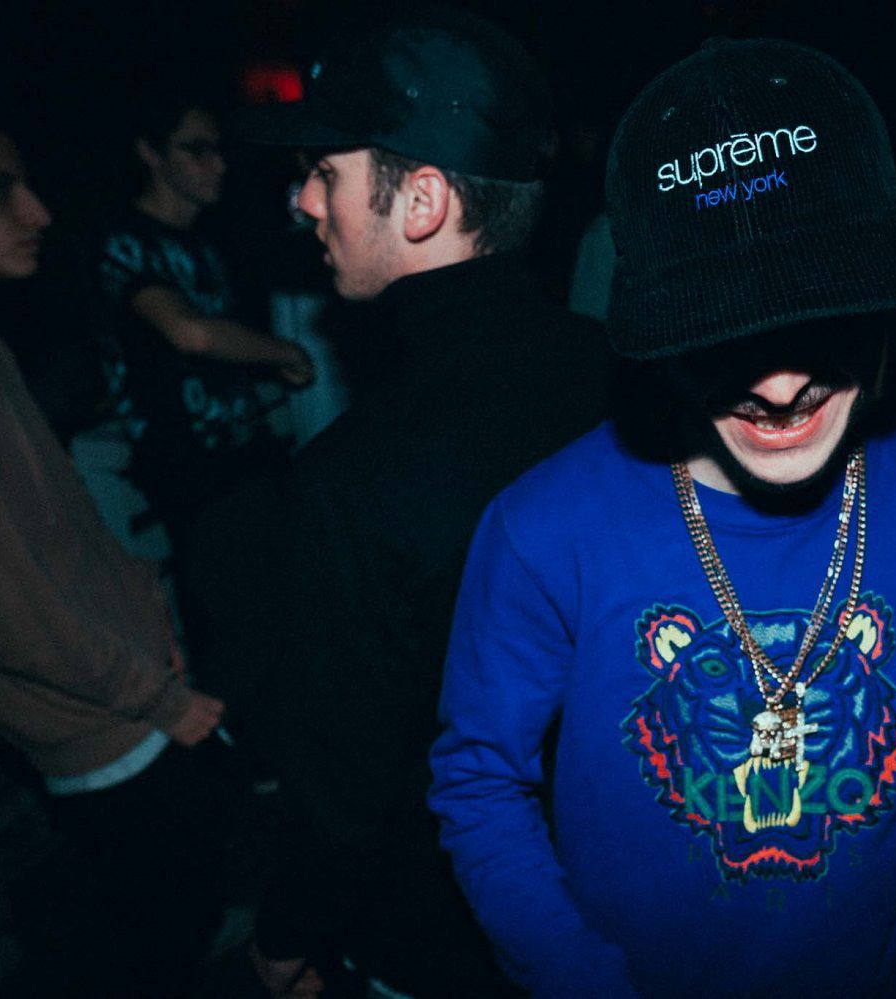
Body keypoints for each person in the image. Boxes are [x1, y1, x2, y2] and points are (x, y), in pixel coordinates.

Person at [429, 39, 896, 997]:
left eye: (820, 311)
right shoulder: (541, 530)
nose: (782, 383)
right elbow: (479, 782)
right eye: (722, 324)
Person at [235, 9, 606, 996]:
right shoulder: (634, 377)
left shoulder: (356, 480)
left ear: (424, 201)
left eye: (327, 172)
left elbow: (341, 792)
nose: (304, 200)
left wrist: (286, 935)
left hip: (454, 937)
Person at [0, 112, 238, 992]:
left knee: (184, 916)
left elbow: (63, 531)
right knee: (159, 944)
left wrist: (149, 623)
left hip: (121, 694)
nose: (37, 211)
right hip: (101, 723)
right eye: (0, 189)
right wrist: (161, 697)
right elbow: (10, 614)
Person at [93, 94, 314, 559]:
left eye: (218, 150)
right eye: (196, 150)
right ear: (151, 152)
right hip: (193, 474)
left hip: (246, 454)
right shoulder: (125, 241)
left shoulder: (205, 241)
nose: (218, 165)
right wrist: (287, 353)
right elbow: (191, 333)